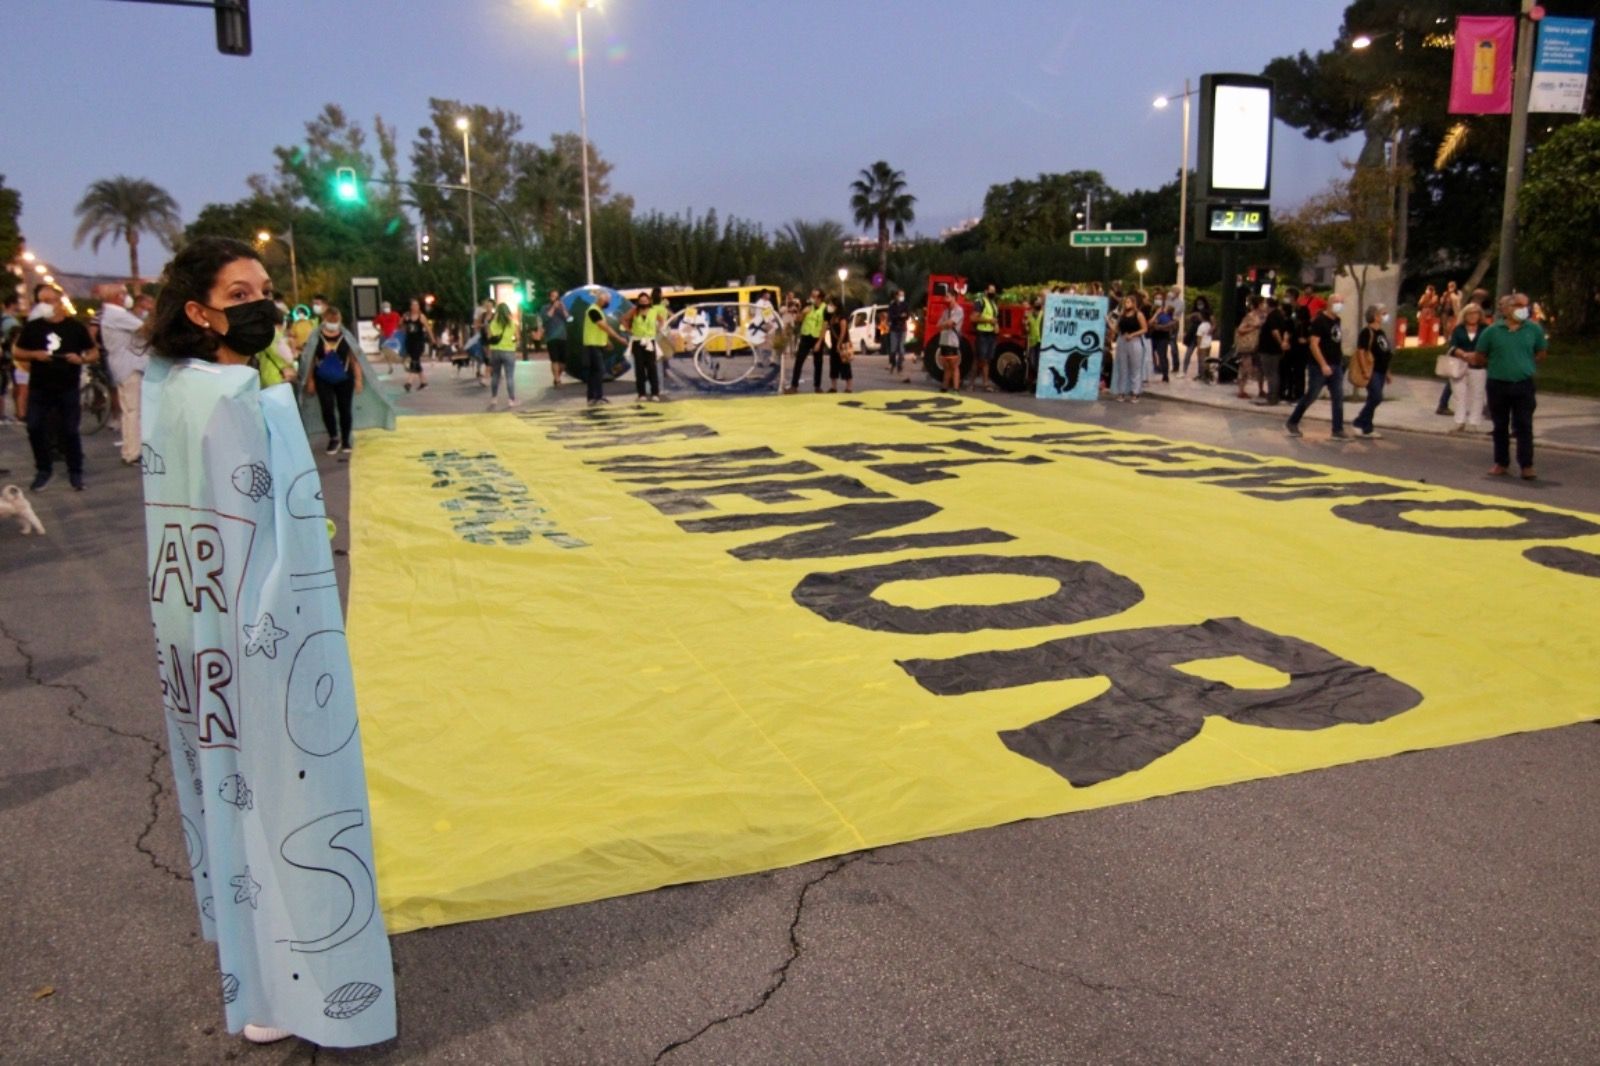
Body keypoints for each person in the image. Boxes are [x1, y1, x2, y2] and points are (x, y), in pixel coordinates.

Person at [137, 236, 394, 1048]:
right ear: (198, 309)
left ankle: (251, 977)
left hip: (195, 622)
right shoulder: (239, 399)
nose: (260, 304)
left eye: (263, 289)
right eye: (238, 291)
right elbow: (277, 532)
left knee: (226, 792)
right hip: (258, 634)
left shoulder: (170, 387)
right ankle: (295, 990)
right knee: (289, 801)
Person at [11, 284, 99, 490]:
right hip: (40, 387)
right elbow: (18, 352)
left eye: (49, 301)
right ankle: (43, 468)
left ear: (60, 302)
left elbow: (93, 352)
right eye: (41, 301)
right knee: (34, 426)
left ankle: (75, 471)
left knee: (69, 430)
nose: (45, 306)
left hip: (67, 386)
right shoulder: (33, 327)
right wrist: (35, 355)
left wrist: (81, 359)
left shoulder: (75, 327)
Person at [1479, 293, 1547, 479]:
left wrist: (1525, 364)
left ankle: (1527, 465)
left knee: (1524, 425)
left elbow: (1541, 353)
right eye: (1518, 305)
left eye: (1525, 305)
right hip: (1498, 384)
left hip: (1523, 384)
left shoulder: (1533, 330)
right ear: (1506, 308)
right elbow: (1480, 355)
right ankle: (1501, 463)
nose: (1523, 309)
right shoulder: (1492, 331)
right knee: (1500, 425)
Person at [98, 284, 153, 465]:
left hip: (120, 366)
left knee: (128, 410)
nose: (126, 296)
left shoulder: (109, 315)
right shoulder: (117, 315)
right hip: (130, 365)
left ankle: (129, 449)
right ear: (117, 296)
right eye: (123, 293)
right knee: (134, 411)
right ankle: (133, 452)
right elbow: (144, 329)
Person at [1285, 296, 1349, 441]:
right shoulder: (1320, 321)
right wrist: (1323, 364)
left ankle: (1337, 430)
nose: (1340, 305)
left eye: (1342, 302)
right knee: (1311, 396)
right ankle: (1293, 421)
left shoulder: (1337, 320)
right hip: (1319, 366)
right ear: (1329, 304)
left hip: (1336, 364)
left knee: (1338, 397)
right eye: (1337, 302)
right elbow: (1314, 344)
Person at [302, 307, 364, 454]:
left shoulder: (346, 336)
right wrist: (309, 380)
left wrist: (358, 379)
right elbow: (310, 359)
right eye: (331, 320)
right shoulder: (315, 337)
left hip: (345, 377)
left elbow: (355, 359)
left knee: (345, 408)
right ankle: (333, 437)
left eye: (336, 321)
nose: (333, 323)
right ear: (325, 320)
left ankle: (346, 439)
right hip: (322, 378)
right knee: (327, 407)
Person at [1350, 305, 1393, 439]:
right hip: (1371, 370)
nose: (1386, 316)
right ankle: (1359, 422)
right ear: (1375, 316)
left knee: (1373, 399)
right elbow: (1361, 352)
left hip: (1381, 370)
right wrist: (1364, 370)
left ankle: (1367, 428)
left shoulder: (1381, 333)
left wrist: (1387, 372)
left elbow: (1385, 354)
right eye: (1383, 313)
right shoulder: (1366, 332)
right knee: (1376, 397)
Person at [1446, 302, 1489, 434]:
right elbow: (1452, 346)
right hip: (1459, 366)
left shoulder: (1485, 329)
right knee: (1460, 395)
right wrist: (1463, 354)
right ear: (1465, 315)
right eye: (1470, 313)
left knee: (1478, 395)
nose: (1473, 316)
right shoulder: (1458, 329)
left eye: (1476, 313)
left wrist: (1476, 355)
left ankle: (1474, 423)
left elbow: (1489, 346)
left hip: (1478, 366)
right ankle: (1459, 422)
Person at [621, 289, 668, 402]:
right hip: (637, 341)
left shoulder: (653, 311)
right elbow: (623, 319)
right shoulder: (634, 311)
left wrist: (658, 329)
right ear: (639, 302)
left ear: (649, 301)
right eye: (641, 301)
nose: (643, 303)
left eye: (645, 300)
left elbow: (662, 321)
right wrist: (629, 330)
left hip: (650, 341)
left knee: (652, 367)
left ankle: (655, 393)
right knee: (639, 368)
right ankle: (641, 393)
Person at [580, 289, 626, 406]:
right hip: (592, 344)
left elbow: (600, 329)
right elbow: (604, 327)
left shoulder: (598, 310)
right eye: (607, 301)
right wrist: (618, 338)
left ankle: (594, 397)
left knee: (595, 372)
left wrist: (607, 341)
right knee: (599, 370)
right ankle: (596, 396)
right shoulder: (593, 311)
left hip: (598, 344)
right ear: (601, 299)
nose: (608, 303)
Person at [786, 290, 827, 394]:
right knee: (799, 361)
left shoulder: (824, 309)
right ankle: (794, 386)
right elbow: (798, 320)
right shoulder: (808, 307)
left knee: (818, 363)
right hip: (806, 336)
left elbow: (824, 326)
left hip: (817, 337)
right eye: (811, 295)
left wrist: (819, 342)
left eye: (814, 296)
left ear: (820, 298)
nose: (812, 297)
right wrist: (802, 313)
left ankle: (817, 386)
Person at [1109, 295, 1149, 402]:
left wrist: (1133, 334)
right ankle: (1121, 392)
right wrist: (1109, 323)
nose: (1126, 304)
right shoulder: (1122, 315)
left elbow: (1145, 329)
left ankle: (1135, 392)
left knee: (1135, 368)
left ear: (1133, 303)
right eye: (1125, 302)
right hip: (1122, 340)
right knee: (1122, 367)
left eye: (1128, 302)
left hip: (1134, 341)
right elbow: (1117, 330)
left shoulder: (1138, 314)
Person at [1256, 296, 1290, 405]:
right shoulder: (1279, 315)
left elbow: (1275, 332)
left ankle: (1272, 396)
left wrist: (1281, 343)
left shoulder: (1272, 316)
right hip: (1273, 349)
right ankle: (1274, 395)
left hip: (1269, 349)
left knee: (1270, 373)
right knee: (1273, 373)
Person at [1233, 296, 1265, 399]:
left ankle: (1261, 389)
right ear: (1259, 304)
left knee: (1260, 368)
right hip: (1249, 345)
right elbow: (1241, 330)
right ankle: (1241, 390)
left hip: (1259, 345)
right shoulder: (1250, 316)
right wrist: (1254, 327)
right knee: (1245, 368)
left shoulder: (1264, 316)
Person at [400, 298, 433, 394]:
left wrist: (433, 340)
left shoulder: (421, 317)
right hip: (409, 342)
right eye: (413, 305)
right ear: (410, 307)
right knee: (416, 361)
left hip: (419, 342)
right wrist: (402, 322)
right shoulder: (406, 316)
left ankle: (409, 382)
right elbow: (401, 326)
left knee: (414, 361)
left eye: (417, 305)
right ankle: (424, 382)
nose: (415, 307)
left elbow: (428, 328)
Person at [539, 290, 571, 388]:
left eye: (557, 297)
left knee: (563, 363)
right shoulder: (545, 308)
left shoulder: (562, 308)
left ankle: (557, 376)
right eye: (553, 297)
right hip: (551, 337)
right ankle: (557, 380)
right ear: (550, 297)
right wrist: (553, 307)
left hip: (563, 337)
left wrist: (563, 309)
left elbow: (569, 319)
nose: (555, 299)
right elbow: (546, 318)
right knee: (555, 360)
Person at [971, 283, 999, 391]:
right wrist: (989, 321)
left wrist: (996, 325)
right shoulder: (980, 302)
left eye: (994, 291)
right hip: (982, 333)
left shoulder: (993, 303)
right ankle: (975, 383)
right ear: (986, 291)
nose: (993, 293)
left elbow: (994, 317)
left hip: (991, 333)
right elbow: (973, 318)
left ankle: (984, 384)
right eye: (991, 291)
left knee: (987, 360)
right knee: (980, 360)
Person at [935, 294, 964, 393]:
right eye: (945, 296)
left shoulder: (959, 310)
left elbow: (951, 324)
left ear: (954, 298)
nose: (945, 299)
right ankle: (945, 386)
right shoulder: (946, 311)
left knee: (954, 365)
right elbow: (938, 325)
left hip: (952, 341)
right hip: (944, 340)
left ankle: (956, 388)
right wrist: (945, 324)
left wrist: (945, 324)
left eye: (947, 296)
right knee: (946, 365)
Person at [824, 302, 854, 393]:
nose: (830, 307)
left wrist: (839, 343)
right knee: (833, 364)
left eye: (832, 305)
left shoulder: (842, 317)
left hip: (842, 344)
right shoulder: (831, 317)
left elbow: (843, 331)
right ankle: (833, 386)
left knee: (845, 364)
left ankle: (848, 387)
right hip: (833, 345)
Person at [0, 294, 21, 423]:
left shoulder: (2, 319)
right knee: (8, 384)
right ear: (13, 305)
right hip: (9, 357)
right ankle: (5, 414)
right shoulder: (12, 322)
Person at [1147, 296, 1175, 383]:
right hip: (1153, 337)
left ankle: (1165, 375)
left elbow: (1169, 325)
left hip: (1162, 338)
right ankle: (1156, 368)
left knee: (1162, 355)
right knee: (1151, 354)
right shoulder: (1152, 313)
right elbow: (1150, 324)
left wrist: (1159, 327)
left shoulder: (1165, 315)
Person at [886, 290, 911, 381]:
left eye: (903, 295)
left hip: (902, 329)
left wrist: (901, 316)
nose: (901, 297)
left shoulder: (905, 305)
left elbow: (907, 315)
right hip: (894, 329)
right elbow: (891, 317)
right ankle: (893, 363)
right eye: (900, 295)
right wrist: (900, 316)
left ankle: (900, 366)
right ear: (896, 296)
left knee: (901, 348)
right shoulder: (892, 306)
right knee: (893, 349)